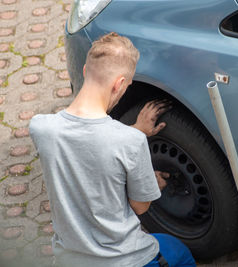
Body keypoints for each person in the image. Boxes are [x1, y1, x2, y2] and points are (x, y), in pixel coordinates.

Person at [29, 32, 196, 267]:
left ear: (86, 70)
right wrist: (149, 180)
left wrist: (135, 129)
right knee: (179, 253)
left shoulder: (41, 128)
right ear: (119, 84)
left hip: (70, 259)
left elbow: (85, 147)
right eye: (127, 86)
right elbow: (140, 206)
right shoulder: (129, 142)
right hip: (125, 260)